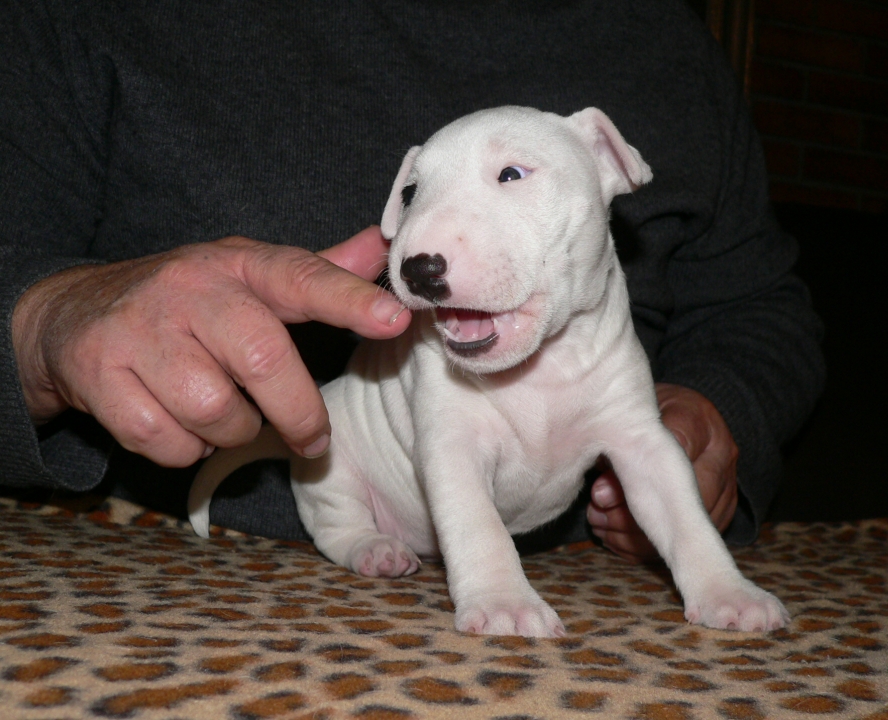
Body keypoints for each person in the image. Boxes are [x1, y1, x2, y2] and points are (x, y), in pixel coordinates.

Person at [0, 0, 824, 562]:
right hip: (160, 555)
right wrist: (43, 325)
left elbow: (761, 310)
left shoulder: (667, 37)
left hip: (596, 582)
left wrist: (716, 408)